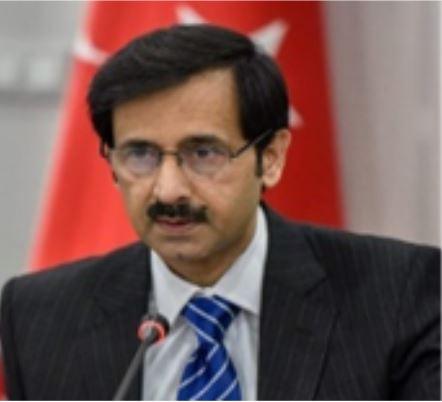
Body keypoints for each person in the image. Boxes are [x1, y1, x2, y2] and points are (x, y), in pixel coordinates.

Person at [0, 24, 440, 401]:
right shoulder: (39, 317)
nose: (168, 189)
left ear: (270, 157)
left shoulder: (399, 297)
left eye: (203, 152)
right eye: (140, 154)